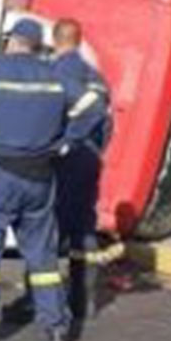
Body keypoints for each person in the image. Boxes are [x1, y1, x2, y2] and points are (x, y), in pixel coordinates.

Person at [0, 18, 88, 341]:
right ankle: (56, 328)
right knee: (41, 254)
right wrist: (67, 142)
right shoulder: (55, 76)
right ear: (38, 45)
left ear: (11, 41)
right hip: (39, 176)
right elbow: (92, 108)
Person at [49, 18, 117, 321]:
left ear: (56, 39)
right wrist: (96, 148)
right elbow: (107, 121)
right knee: (83, 228)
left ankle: (41, 302)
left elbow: (92, 109)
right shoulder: (95, 75)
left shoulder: (61, 70)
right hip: (90, 158)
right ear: (79, 39)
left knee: (51, 229)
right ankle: (84, 300)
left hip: (69, 160)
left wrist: (67, 140)